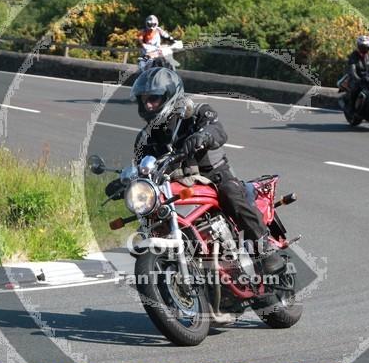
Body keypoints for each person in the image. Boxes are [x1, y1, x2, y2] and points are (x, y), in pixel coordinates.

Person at [111, 67, 286, 276]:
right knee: (150, 215)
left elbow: (217, 130)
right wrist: (125, 183)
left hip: (213, 177)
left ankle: (264, 248)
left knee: (230, 193)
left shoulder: (196, 114)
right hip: (174, 187)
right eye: (143, 100)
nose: (148, 105)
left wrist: (204, 136)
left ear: (169, 96)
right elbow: (142, 167)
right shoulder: (144, 138)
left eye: (153, 99)